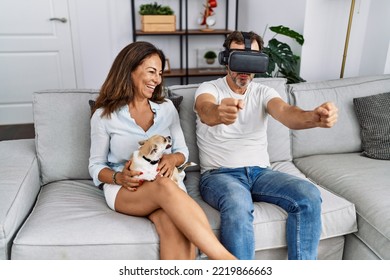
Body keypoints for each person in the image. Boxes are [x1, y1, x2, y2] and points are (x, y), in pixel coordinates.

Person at [194, 31, 339, 260]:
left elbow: (287, 113)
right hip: (219, 175)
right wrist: (218, 113)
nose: (244, 67)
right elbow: (206, 110)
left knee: (309, 194)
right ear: (225, 60)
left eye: (252, 59)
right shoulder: (209, 88)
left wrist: (314, 117)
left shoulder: (263, 92)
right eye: (238, 58)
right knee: (237, 202)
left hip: (261, 174)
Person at [89, 41, 236, 260]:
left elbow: (182, 152)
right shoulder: (104, 116)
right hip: (128, 190)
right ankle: (225, 260)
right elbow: (95, 166)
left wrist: (172, 159)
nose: (157, 79)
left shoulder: (167, 108)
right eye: (151, 72)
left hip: (169, 186)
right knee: (162, 185)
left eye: (159, 73)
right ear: (129, 70)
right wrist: (119, 177)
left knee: (174, 228)